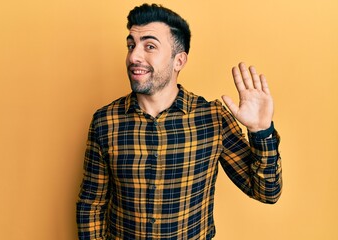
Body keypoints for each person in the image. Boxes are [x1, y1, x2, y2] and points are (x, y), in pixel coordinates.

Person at [76, 3, 282, 240]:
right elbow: (91, 204)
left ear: (179, 61)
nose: (134, 56)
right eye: (131, 45)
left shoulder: (213, 118)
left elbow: (267, 192)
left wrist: (261, 131)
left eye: (149, 46)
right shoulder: (105, 121)